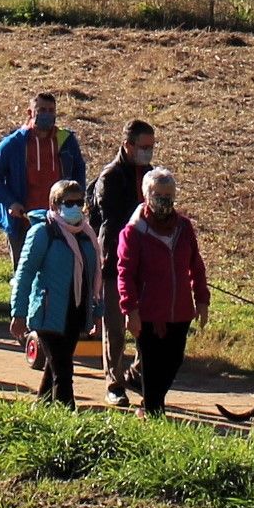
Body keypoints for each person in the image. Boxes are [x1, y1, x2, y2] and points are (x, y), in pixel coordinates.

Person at [113, 167, 209, 416]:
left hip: (180, 312)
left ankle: (140, 388)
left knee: (173, 362)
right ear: (147, 195)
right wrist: (130, 310)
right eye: (159, 194)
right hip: (148, 314)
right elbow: (125, 273)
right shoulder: (133, 232)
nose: (165, 200)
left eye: (169, 194)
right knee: (154, 367)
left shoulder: (184, 227)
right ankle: (154, 413)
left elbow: (195, 265)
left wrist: (202, 299)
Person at [9, 178, 96, 405]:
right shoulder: (42, 233)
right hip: (48, 315)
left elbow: (92, 279)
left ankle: (42, 409)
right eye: (69, 202)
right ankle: (67, 422)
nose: (75, 207)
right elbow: (24, 274)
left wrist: (96, 312)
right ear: (54, 205)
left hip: (74, 314)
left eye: (79, 202)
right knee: (64, 372)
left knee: (56, 366)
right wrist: (18, 313)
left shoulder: (87, 236)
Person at [89, 120, 158, 403]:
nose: (148, 152)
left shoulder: (153, 175)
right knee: (116, 328)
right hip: (114, 261)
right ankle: (114, 384)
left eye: (151, 147)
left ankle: (137, 375)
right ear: (127, 145)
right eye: (143, 147)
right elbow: (113, 223)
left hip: (147, 265)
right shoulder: (110, 177)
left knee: (148, 326)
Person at [0, 93, 84, 261]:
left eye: (51, 110)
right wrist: (10, 202)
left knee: (57, 271)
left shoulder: (66, 140)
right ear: (30, 113)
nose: (47, 114)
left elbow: (79, 169)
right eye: (42, 110)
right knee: (23, 274)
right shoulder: (14, 143)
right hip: (23, 221)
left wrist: (77, 199)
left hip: (58, 220)